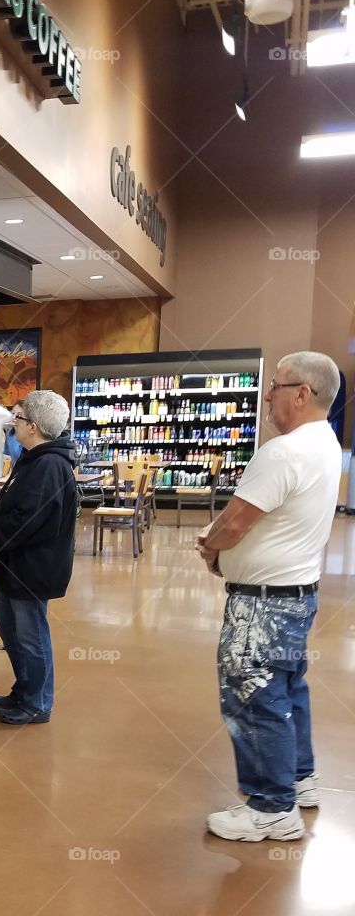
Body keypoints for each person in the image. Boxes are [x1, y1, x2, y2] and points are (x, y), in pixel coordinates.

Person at [197, 352, 341, 842]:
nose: (267, 397)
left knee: (252, 693)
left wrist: (210, 548)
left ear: (302, 393)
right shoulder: (325, 444)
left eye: (275, 387)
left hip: (261, 602)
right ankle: (300, 779)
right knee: (286, 687)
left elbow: (235, 522)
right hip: (297, 594)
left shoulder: (282, 452)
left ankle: (271, 808)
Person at [0, 391, 76, 725]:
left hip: (32, 568)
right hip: (14, 566)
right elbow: (18, 507)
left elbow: (26, 522)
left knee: (30, 636)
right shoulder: (33, 458)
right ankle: (25, 689)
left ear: (35, 426)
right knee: (11, 632)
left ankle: (38, 702)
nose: (14, 422)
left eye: (19, 417)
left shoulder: (49, 465)